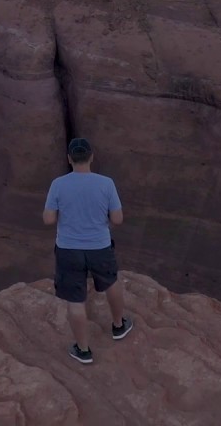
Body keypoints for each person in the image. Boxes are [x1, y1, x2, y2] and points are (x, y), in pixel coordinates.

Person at [42, 137, 133, 364]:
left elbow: (48, 219)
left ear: (69, 159)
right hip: (99, 246)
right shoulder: (106, 183)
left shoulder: (58, 184)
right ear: (91, 157)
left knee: (75, 298)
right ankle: (119, 325)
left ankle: (83, 350)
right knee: (111, 282)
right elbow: (118, 219)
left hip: (68, 250)